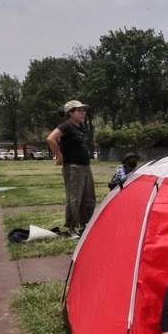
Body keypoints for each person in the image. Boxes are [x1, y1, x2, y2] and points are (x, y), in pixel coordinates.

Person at [46, 100, 96, 238]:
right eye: (80, 110)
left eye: (84, 110)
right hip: (73, 167)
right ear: (71, 113)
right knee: (74, 198)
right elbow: (51, 139)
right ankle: (72, 228)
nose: (83, 113)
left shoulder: (81, 127)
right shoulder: (66, 126)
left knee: (89, 199)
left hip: (85, 167)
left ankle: (84, 225)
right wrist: (59, 156)